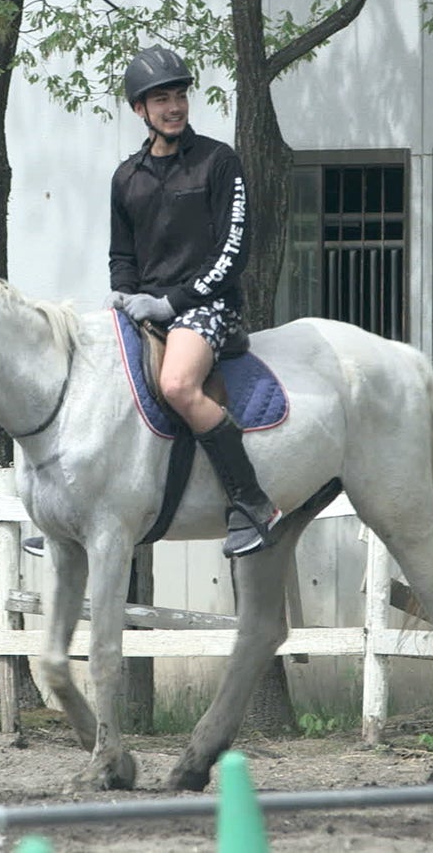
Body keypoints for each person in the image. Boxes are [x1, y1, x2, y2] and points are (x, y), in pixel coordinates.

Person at [107, 45, 281, 558]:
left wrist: (173, 302)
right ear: (140, 110)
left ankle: (251, 501)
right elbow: (121, 253)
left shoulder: (218, 161)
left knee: (179, 385)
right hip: (145, 308)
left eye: (179, 94)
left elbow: (235, 250)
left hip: (208, 305)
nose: (174, 106)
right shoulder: (126, 177)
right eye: (160, 98)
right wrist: (125, 295)